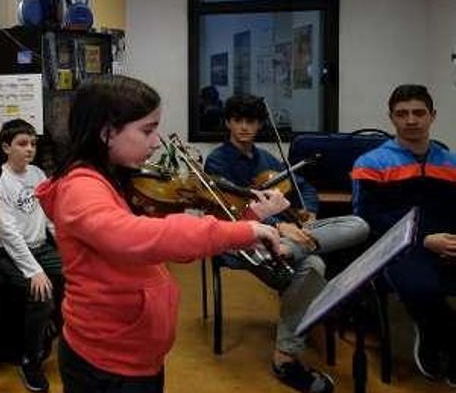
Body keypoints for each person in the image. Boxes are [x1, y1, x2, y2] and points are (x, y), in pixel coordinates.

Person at [35, 75, 285, 393]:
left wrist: (248, 218)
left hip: (137, 354)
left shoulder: (118, 176)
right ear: (107, 132)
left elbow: (176, 248)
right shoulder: (80, 188)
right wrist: (240, 231)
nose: (156, 142)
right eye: (147, 130)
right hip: (108, 363)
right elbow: (142, 237)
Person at [204, 94, 368, 393]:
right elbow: (233, 212)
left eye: (250, 121)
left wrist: (310, 212)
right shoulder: (217, 160)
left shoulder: (269, 160)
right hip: (243, 241)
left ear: (259, 125)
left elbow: (302, 186)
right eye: (237, 120)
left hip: (285, 241)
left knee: (357, 225)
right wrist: (278, 226)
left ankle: (291, 248)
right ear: (227, 122)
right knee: (315, 266)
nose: (243, 127)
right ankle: (286, 358)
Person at [352, 84, 456, 385]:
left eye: (419, 113)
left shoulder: (450, 163)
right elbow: (367, 217)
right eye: (402, 114)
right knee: (423, 287)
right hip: (399, 246)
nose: (411, 120)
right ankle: (436, 337)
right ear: (391, 118)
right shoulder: (371, 163)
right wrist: (423, 239)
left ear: (432, 116)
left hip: (447, 243)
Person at [0, 119, 62, 392]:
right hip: (7, 252)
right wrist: (33, 271)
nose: (29, 149)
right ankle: (29, 361)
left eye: (32, 143)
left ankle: (58, 341)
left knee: (74, 275)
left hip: (40, 246)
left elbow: (49, 215)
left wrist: (64, 245)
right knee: (40, 293)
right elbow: (8, 233)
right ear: (6, 147)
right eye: (22, 143)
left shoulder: (38, 174)